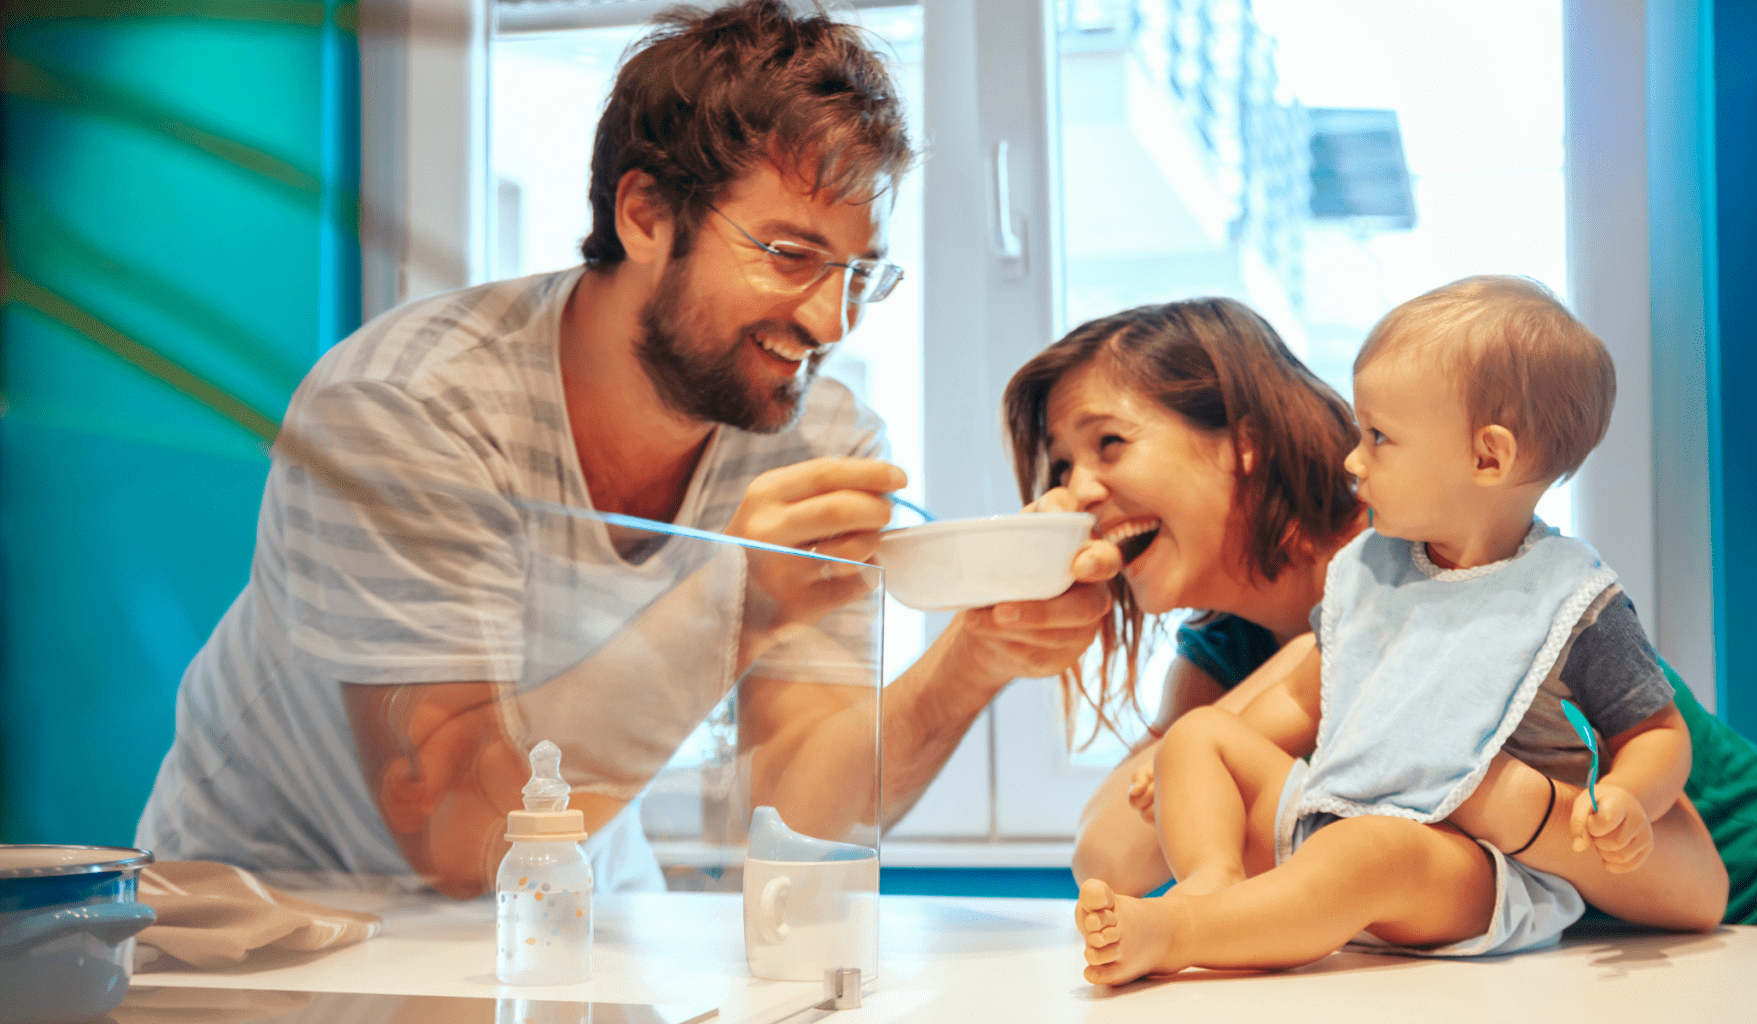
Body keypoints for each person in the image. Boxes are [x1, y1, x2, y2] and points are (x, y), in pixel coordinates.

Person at [136, 0, 1118, 900]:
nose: (830, 317)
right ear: (644, 213)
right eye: (788, 255)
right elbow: (462, 835)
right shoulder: (405, 412)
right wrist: (736, 601)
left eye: (859, 272)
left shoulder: (813, 434)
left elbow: (796, 816)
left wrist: (971, 659)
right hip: (269, 919)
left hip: (575, 900)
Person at [1007, 293, 1757, 977]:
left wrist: (1318, 672)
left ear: (1241, 441)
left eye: (1108, 445)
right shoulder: (1233, 646)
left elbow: (1682, 861)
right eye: (1058, 465)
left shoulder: (1488, 577)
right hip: (1574, 954)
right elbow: (1113, 853)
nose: (1070, 493)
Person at [1069, 276, 1697, 983]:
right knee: (1197, 735)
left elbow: (1656, 732)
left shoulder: (1569, 600)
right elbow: (1306, 701)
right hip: (1340, 816)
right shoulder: (1370, 571)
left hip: (1474, 869)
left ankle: (1184, 931)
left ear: (1487, 458)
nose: (1352, 459)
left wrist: (1626, 800)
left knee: (1372, 852)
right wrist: (1185, 760)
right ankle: (1211, 883)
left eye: (1379, 438)